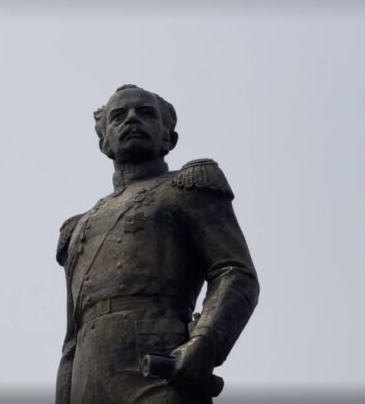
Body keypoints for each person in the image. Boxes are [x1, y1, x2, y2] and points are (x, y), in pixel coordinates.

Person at [55, 85, 260, 403]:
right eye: (118, 116)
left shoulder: (187, 188)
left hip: (158, 367)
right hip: (88, 378)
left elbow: (235, 273)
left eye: (145, 113)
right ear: (104, 142)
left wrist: (205, 343)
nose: (131, 119)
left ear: (168, 138)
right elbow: (72, 338)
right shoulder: (80, 227)